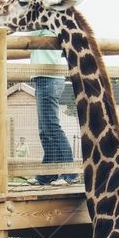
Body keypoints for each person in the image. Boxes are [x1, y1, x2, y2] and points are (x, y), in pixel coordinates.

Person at [22, 27, 78, 186]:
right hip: (45, 78)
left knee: (51, 127)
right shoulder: (45, 26)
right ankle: (49, 174)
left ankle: (69, 173)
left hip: (48, 78)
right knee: (45, 129)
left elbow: (25, 33)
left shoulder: (41, 25)